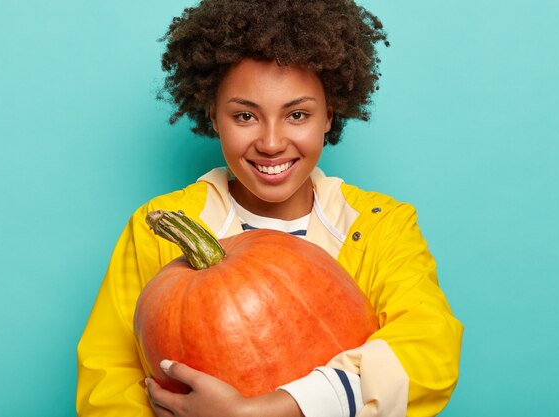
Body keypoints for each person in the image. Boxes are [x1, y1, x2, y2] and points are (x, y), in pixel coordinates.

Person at [76, 1, 463, 416]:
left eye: (297, 114)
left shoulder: (381, 227)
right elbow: (109, 382)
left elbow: (429, 352)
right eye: (245, 115)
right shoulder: (155, 231)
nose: (272, 142)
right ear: (213, 116)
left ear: (329, 116)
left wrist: (267, 410)